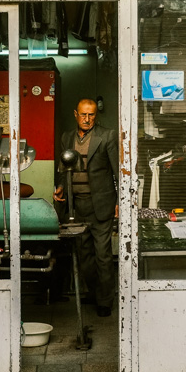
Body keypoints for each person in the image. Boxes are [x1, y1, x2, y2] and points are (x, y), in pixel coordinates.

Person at [54, 98, 119, 317]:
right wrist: (61, 188)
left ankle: (105, 300)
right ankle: (95, 292)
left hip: (100, 204)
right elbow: (64, 170)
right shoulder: (67, 138)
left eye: (91, 115)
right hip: (76, 206)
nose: (87, 119)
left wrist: (120, 202)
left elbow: (117, 171)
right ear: (75, 114)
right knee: (84, 257)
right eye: (83, 114)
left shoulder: (107, 136)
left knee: (103, 255)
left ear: (96, 116)